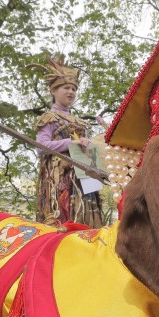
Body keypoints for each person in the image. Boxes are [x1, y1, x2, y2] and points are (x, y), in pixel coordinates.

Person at [33, 55, 103, 228]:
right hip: (61, 181)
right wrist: (69, 144)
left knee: (88, 218)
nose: (71, 92)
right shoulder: (49, 117)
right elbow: (41, 147)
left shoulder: (79, 121)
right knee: (63, 218)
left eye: (73, 88)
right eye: (66, 87)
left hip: (84, 179)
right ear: (53, 91)